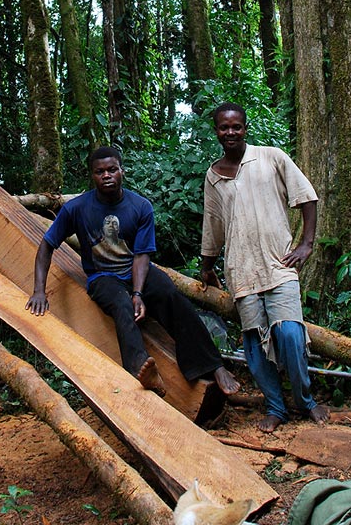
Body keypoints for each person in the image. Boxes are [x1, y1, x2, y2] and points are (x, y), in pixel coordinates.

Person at [26, 145, 240, 399]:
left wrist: (138, 293)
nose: (106, 176)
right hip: (102, 277)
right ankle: (141, 369)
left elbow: (141, 255)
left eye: (112, 170)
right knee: (121, 304)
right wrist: (39, 290)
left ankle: (213, 366)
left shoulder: (139, 206)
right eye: (100, 172)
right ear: (92, 176)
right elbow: (47, 244)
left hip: (137, 270)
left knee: (171, 296)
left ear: (122, 172)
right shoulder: (77, 208)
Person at [200, 102, 330, 433]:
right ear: (216, 131)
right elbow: (213, 225)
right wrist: (207, 267)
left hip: (279, 264)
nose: (230, 132)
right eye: (223, 127)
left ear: (245, 128)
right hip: (242, 271)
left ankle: (305, 401)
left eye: (236, 127)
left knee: (288, 333)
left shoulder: (270, 157)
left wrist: (306, 245)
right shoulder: (213, 176)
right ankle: (276, 406)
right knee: (255, 346)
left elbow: (307, 197)